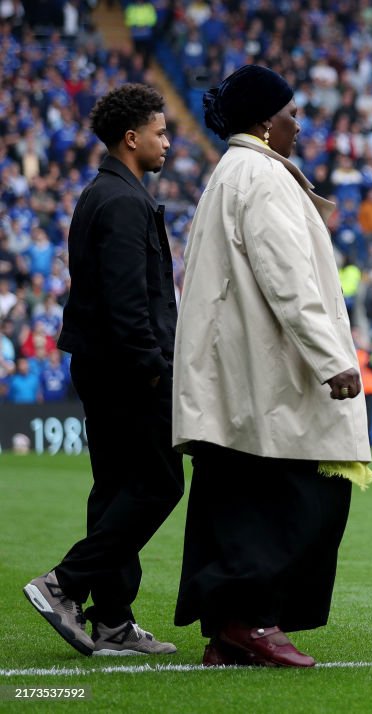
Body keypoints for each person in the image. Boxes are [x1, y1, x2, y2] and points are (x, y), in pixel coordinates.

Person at [172, 65, 372, 669]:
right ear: (264, 121)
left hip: (240, 376)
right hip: (267, 378)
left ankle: (230, 630)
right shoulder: (260, 176)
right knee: (294, 501)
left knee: (234, 501)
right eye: (290, 113)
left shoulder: (232, 171)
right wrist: (332, 358)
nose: (299, 123)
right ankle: (254, 621)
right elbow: (288, 279)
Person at [23, 84, 183, 657]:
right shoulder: (120, 201)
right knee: (161, 484)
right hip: (126, 371)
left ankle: (112, 620)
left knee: (117, 488)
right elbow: (125, 303)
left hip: (104, 365)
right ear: (132, 137)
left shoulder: (109, 193)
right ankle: (64, 584)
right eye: (161, 132)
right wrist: (155, 371)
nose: (168, 141)